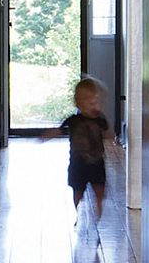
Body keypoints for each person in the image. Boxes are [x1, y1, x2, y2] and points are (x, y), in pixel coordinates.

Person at [43, 76, 112, 224]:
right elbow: (59, 130)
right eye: (91, 103)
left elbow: (108, 133)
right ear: (79, 104)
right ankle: (77, 210)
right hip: (78, 164)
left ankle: (97, 216)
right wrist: (48, 134)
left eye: (98, 103)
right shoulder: (73, 120)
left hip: (97, 163)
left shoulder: (100, 119)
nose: (96, 107)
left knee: (100, 190)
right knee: (77, 190)